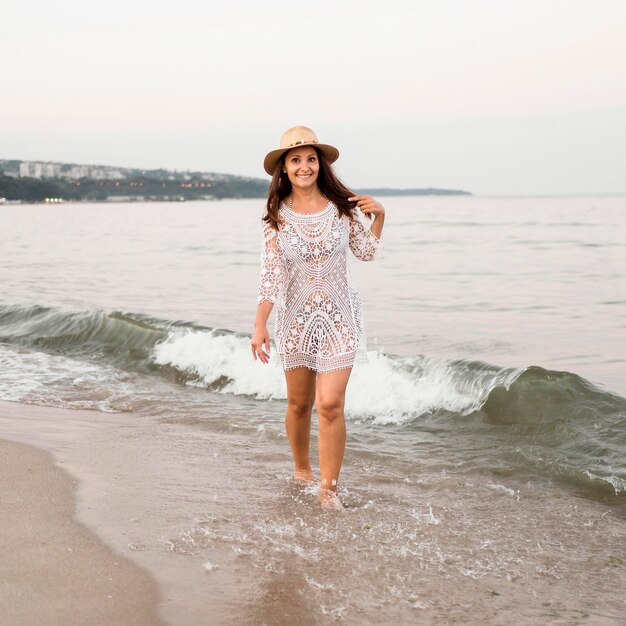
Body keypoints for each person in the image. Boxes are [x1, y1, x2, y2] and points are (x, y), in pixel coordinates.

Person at [251, 126, 385, 509]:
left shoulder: (341, 208)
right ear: (284, 169)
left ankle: (329, 490)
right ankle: (301, 469)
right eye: (296, 160)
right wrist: (260, 323)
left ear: (319, 163)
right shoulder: (276, 218)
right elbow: (271, 275)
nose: (305, 166)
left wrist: (379, 217)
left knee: (330, 405)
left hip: (340, 318)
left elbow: (367, 252)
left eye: (311, 158)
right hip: (296, 319)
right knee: (299, 405)